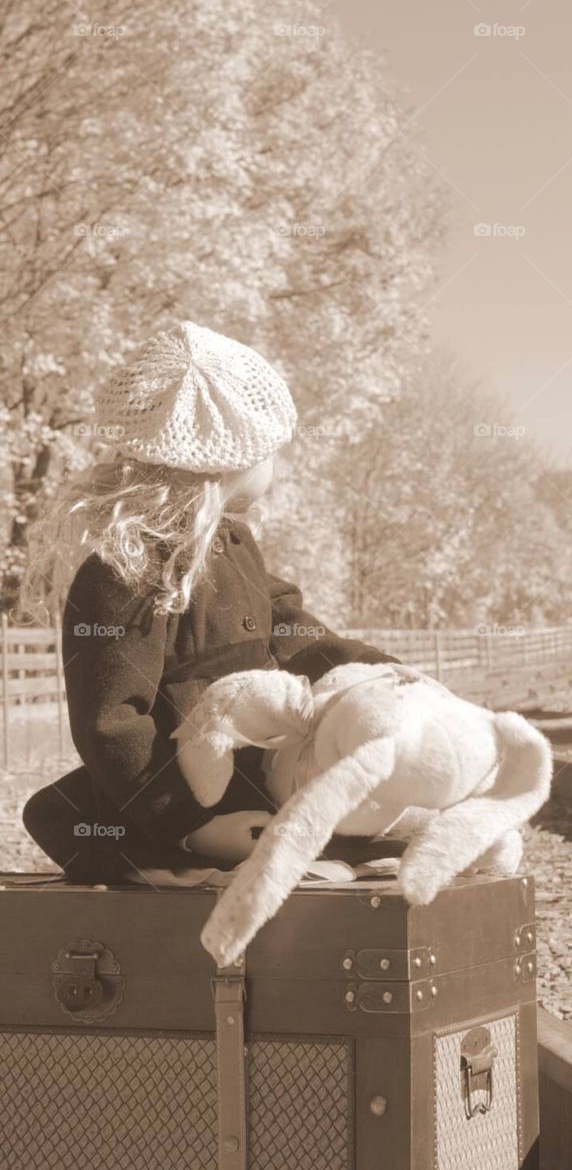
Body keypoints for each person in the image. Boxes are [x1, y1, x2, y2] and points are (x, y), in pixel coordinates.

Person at [21, 320, 401, 884]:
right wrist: (186, 822)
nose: (276, 465)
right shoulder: (123, 571)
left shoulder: (233, 545)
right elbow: (111, 722)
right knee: (69, 818)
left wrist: (378, 673)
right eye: (271, 451)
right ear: (230, 460)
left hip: (251, 770)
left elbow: (291, 628)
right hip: (169, 794)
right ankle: (179, 860)